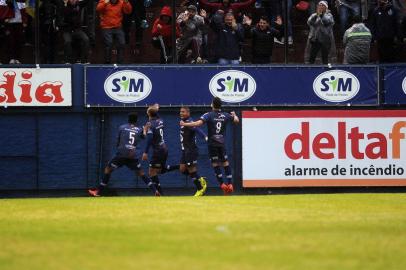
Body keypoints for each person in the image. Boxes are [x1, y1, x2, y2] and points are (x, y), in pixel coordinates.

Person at [88, 112, 158, 197]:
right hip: (132, 156)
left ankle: (98, 192)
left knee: (108, 169)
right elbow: (143, 136)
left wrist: (120, 148)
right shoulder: (139, 129)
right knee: (142, 173)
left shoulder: (122, 127)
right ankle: (155, 190)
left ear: (128, 120)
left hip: (121, 155)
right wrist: (145, 129)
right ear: (136, 121)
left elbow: (118, 142)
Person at [180, 97, 239, 195]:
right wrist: (235, 115)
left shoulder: (208, 115)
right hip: (221, 143)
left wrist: (185, 124)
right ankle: (230, 184)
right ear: (220, 105)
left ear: (212, 105)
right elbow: (236, 121)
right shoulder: (226, 115)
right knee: (225, 163)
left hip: (212, 144)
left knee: (215, 164)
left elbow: (198, 123)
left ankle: (222, 184)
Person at [179, 106, 208, 196]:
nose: (181, 113)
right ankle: (199, 178)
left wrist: (205, 136)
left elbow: (197, 129)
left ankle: (200, 189)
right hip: (185, 150)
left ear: (188, 113)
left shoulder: (189, 122)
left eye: (183, 112)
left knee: (191, 170)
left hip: (190, 150)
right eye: (180, 112)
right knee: (182, 169)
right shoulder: (183, 122)